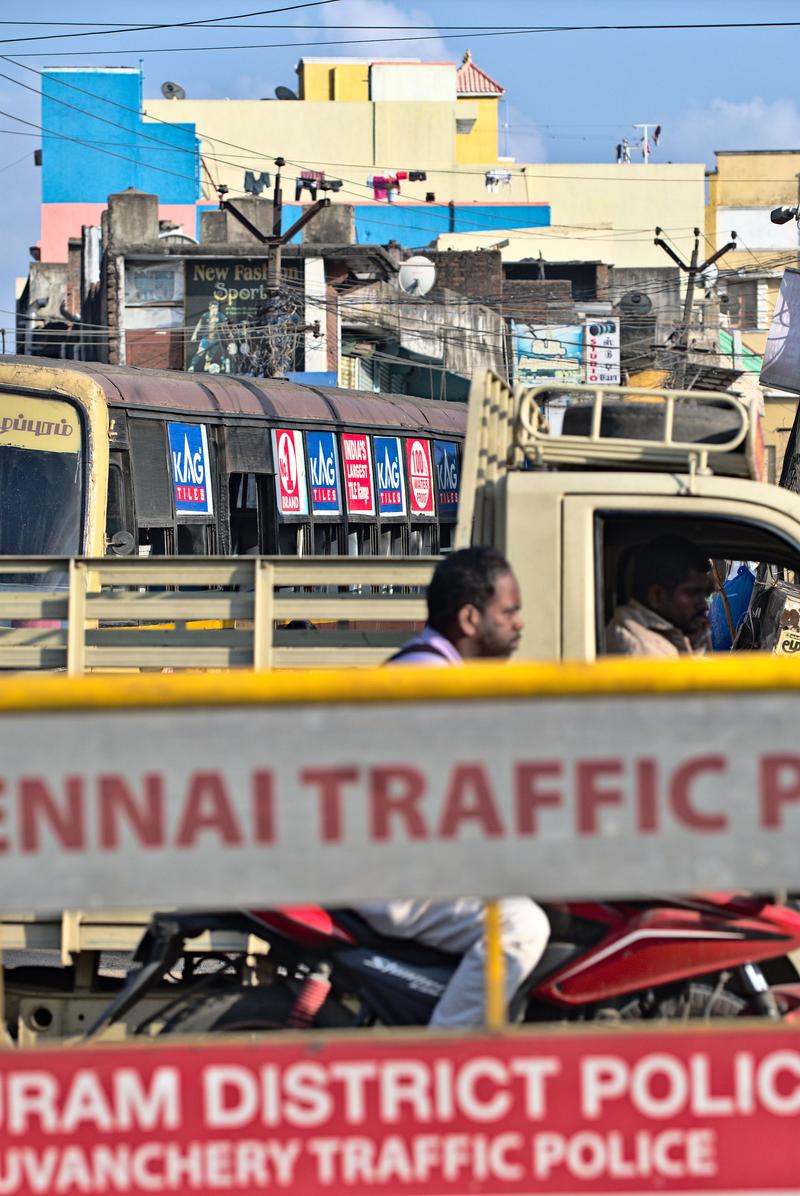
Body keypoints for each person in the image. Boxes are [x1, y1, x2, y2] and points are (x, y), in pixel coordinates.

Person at [357, 547, 550, 1028]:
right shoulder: (428, 685)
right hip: (394, 877)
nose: (519, 624)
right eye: (509, 612)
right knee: (521, 926)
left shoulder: (434, 672)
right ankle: (446, 1064)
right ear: (469, 617)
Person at [605, 534, 713, 658]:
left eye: (704, 594)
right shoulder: (639, 646)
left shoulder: (674, 631)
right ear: (656, 595)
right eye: (693, 593)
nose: (704, 605)